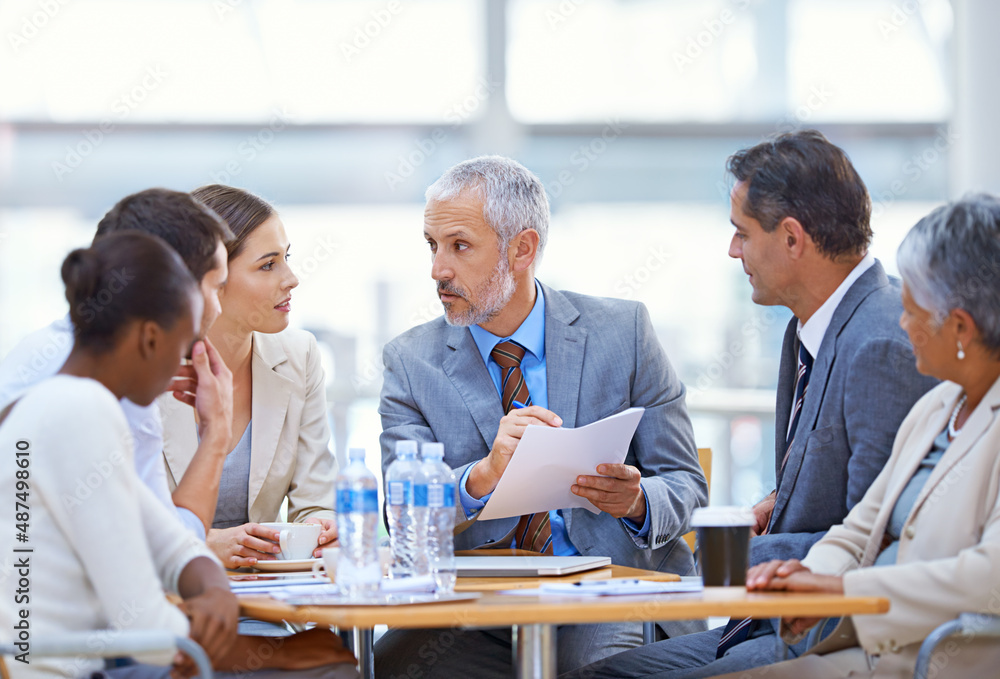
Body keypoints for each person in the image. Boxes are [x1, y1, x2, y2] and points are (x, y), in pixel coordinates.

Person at [566, 130, 938, 679]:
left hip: (823, 633)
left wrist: (740, 556)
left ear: (792, 238)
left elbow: (878, 537)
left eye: (742, 233)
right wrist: (776, 502)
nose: (733, 250)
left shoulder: (878, 344)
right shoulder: (811, 328)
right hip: (768, 621)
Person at [374, 155, 708, 677]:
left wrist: (637, 501)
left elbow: (688, 485)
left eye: (459, 246)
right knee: (393, 663)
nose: (438, 268)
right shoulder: (411, 362)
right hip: (476, 610)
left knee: (589, 667)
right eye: (432, 245)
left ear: (522, 248)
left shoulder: (623, 333)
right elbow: (401, 515)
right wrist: (483, 476)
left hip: (606, 592)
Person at [710, 195, 1000, 678]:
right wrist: (808, 575)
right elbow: (858, 530)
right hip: (861, 650)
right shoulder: (936, 409)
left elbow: (989, 576)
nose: (901, 325)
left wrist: (839, 593)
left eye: (911, 312)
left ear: (961, 328)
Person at [0, 232, 239, 679]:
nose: (183, 361)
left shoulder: (54, 402)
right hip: (53, 669)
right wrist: (230, 635)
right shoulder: (79, 411)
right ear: (150, 337)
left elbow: (170, 543)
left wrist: (215, 590)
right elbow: (146, 628)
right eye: (183, 342)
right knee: (319, 668)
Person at [0, 188, 234, 538]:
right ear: (171, 284)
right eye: (216, 288)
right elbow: (165, 549)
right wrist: (217, 431)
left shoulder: (46, 351)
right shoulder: (104, 388)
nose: (217, 308)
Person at [159, 185, 336, 569]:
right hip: (166, 599)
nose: (291, 279)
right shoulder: (146, 373)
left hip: (267, 597)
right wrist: (204, 546)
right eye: (268, 265)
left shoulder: (299, 355)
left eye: (287, 258)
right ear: (212, 277)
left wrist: (322, 527)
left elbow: (317, 501)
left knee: (321, 635)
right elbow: (124, 527)